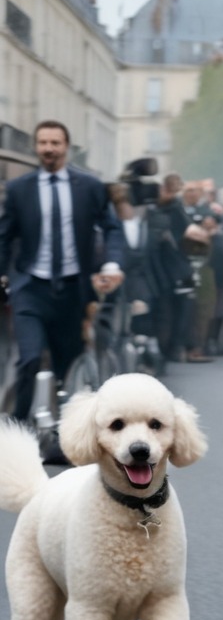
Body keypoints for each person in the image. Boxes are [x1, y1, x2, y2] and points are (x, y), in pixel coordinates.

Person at [0, 120, 124, 426]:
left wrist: (112, 265)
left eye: (55, 143)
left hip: (72, 290)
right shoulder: (19, 189)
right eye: (43, 143)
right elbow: (4, 236)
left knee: (67, 366)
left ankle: (66, 433)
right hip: (31, 286)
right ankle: (14, 432)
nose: (48, 149)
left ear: (66, 147)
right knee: (28, 359)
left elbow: (111, 228)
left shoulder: (90, 188)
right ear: (36, 147)